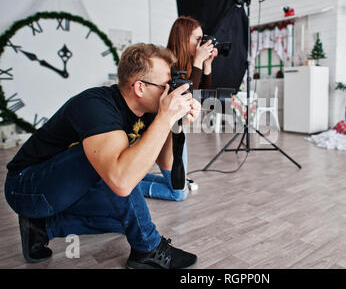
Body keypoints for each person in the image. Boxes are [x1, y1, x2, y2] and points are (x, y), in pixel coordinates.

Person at [3, 43, 201, 269]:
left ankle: (41, 226)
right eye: (166, 86)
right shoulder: (96, 106)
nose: (172, 92)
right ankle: (148, 248)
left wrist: (173, 122)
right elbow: (121, 181)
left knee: (125, 220)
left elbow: (167, 164)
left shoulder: (149, 112)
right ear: (139, 87)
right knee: (118, 167)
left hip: (66, 188)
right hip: (25, 186)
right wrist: (165, 118)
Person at [140, 16, 218, 201]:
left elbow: (202, 98)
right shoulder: (167, 66)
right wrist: (198, 61)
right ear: (184, 40)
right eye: (198, 39)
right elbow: (189, 97)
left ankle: (132, 177)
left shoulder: (189, 63)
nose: (202, 44)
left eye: (203, 39)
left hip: (176, 131)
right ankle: (123, 183)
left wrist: (206, 64)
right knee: (178, 193)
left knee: (178, 185)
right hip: (162, 132)